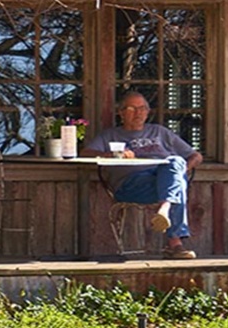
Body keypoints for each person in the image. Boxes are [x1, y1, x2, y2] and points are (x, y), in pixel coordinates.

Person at [81, 89, 204, 259]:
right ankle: (174, 243)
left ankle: (165, 207)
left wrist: (179, 172)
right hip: (131, 186)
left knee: (175, 162)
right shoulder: (111, 135)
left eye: (142, 108)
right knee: (177, 186)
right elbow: (85, 153)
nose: (138, 113)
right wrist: (112, 155)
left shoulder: (159, 132)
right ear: (121, 113)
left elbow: (196, 156)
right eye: (132, 109)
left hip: (162, 185)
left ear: (147, 112)